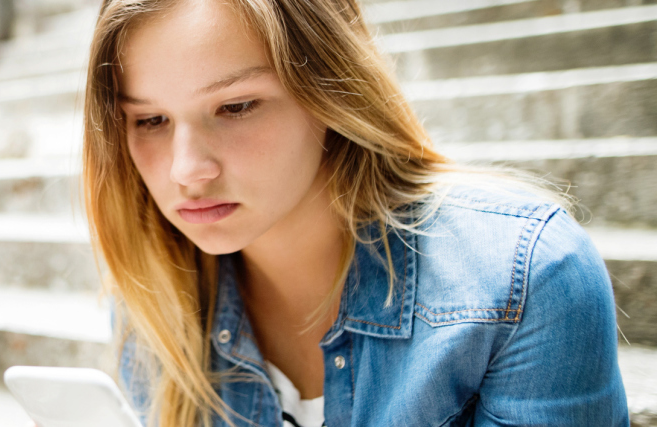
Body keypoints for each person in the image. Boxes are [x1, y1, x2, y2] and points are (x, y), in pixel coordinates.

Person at [81, 1, 629, 426]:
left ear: (328, 90)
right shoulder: (152, 293)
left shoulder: (522, 277)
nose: (186, 170)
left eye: (236, 106)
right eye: (150, 120)